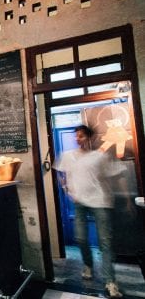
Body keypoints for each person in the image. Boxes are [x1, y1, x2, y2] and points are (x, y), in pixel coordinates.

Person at [54, 125, 125, 298]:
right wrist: (65, 189)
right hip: (79, 203)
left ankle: (110, 282)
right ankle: (88, 265)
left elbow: (116, 175)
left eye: (82, 136)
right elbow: (59, 174)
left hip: (101, 201)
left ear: (90, 138)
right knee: (81, 238)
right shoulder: (68, 156)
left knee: (105, 243)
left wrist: (128, 200)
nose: (78, 139)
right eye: (76, 136)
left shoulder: (99, 156)